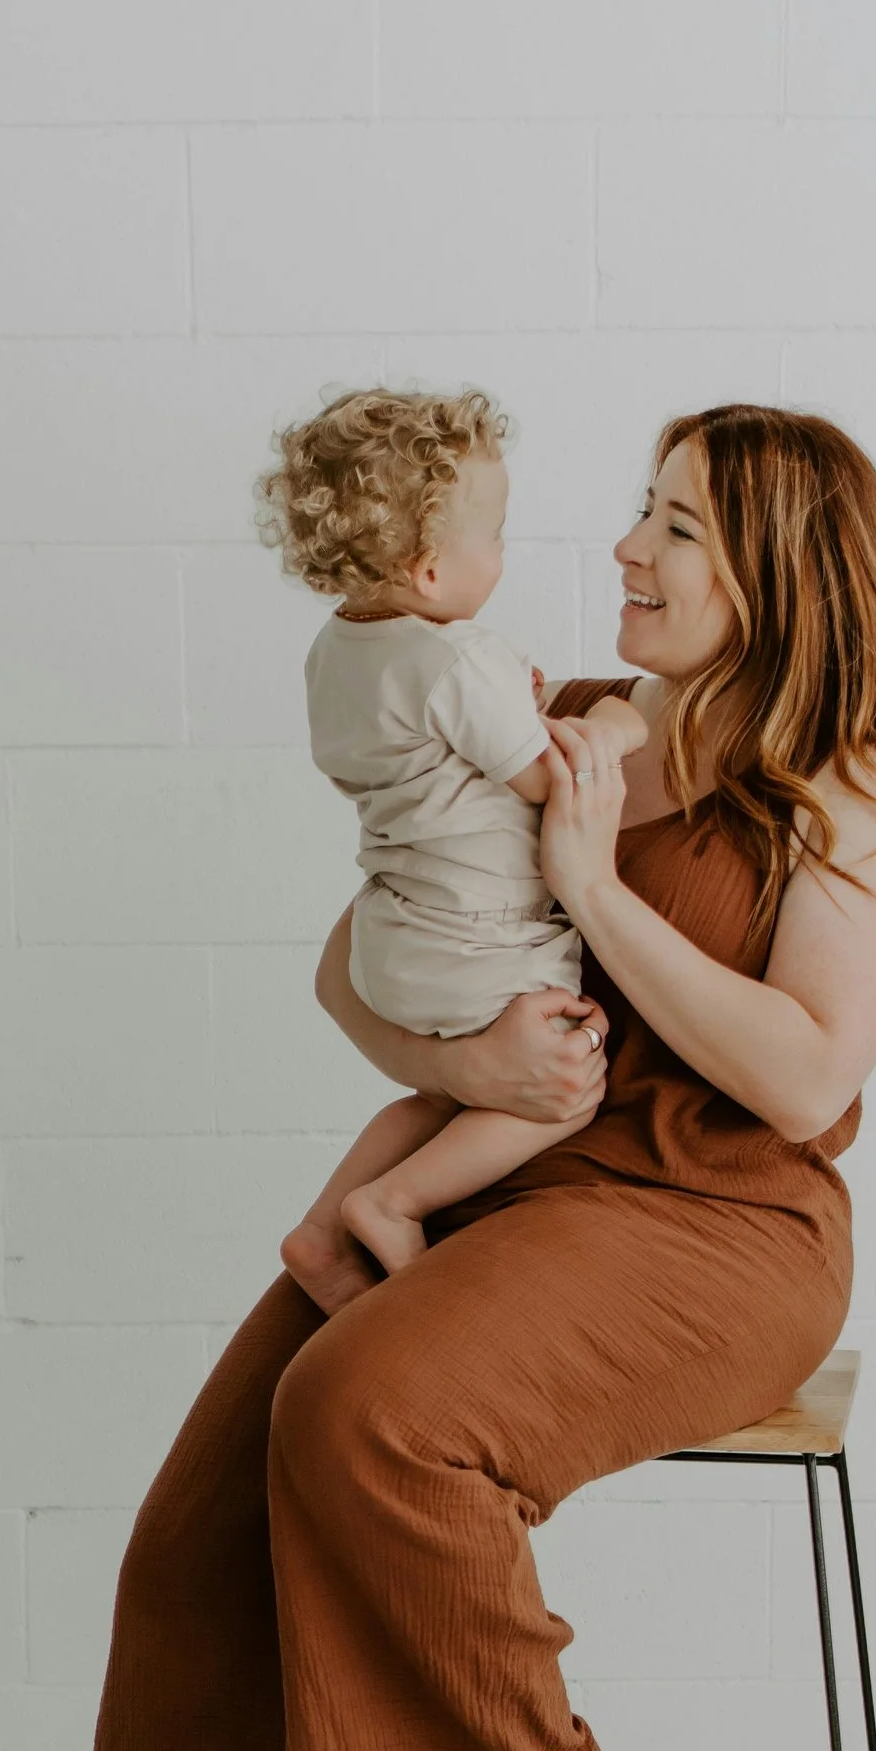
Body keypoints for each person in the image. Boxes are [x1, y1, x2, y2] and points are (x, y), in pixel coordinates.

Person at [10, 405, 876, 1751]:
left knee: (363, 1413)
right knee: (191, 1537)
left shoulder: (862, 795)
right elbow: (352, 963)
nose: (626, 549)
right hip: (513, 1171)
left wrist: (595, 893)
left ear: (781, 568)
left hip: (715, 1226)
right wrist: (460, 1049)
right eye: (638, 512)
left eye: (676, 528)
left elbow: (794, 1075)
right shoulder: (586, 733)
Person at [266, 384, 650, 1312]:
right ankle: (393, 1203)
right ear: (432, 571)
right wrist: (616, 723)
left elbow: (410, 751)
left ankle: (322, 1233)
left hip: (394, 937)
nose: (504, 555)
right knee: (557, 1087)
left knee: (446, 1106)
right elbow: (547, 779)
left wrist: (499, 706)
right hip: (484, 940)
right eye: (498, 535)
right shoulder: (457, 657)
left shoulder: (335, 652)